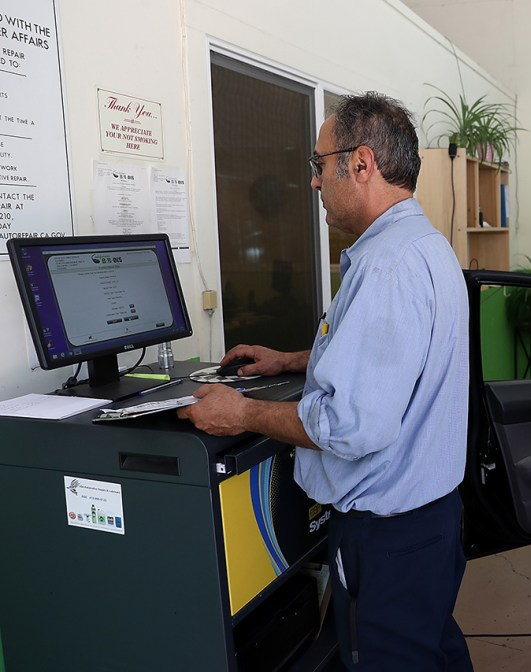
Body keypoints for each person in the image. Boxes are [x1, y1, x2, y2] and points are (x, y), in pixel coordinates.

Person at [178, 92, 473, 671]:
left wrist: (241, 415)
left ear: (360, 164)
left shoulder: (386, 265)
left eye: (319, 164)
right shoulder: (424, 245)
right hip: (430, 520)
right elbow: (394, 358)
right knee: (433, 649)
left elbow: (348, 426)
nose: (314, 182)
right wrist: (293, 360)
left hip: (388, 535)